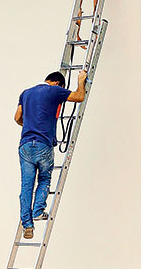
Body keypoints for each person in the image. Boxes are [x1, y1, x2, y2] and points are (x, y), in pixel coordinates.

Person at [14, 70, 87, 238]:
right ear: (57, 84)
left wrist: (30, 124)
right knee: (45, 179)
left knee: (26, 186)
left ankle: (27, 225)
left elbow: (17, 117)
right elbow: (78, 96)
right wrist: (81, 80)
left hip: (25, 145)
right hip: (43, 145)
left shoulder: (25, 93)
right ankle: (38, 210)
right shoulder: (54, 91)